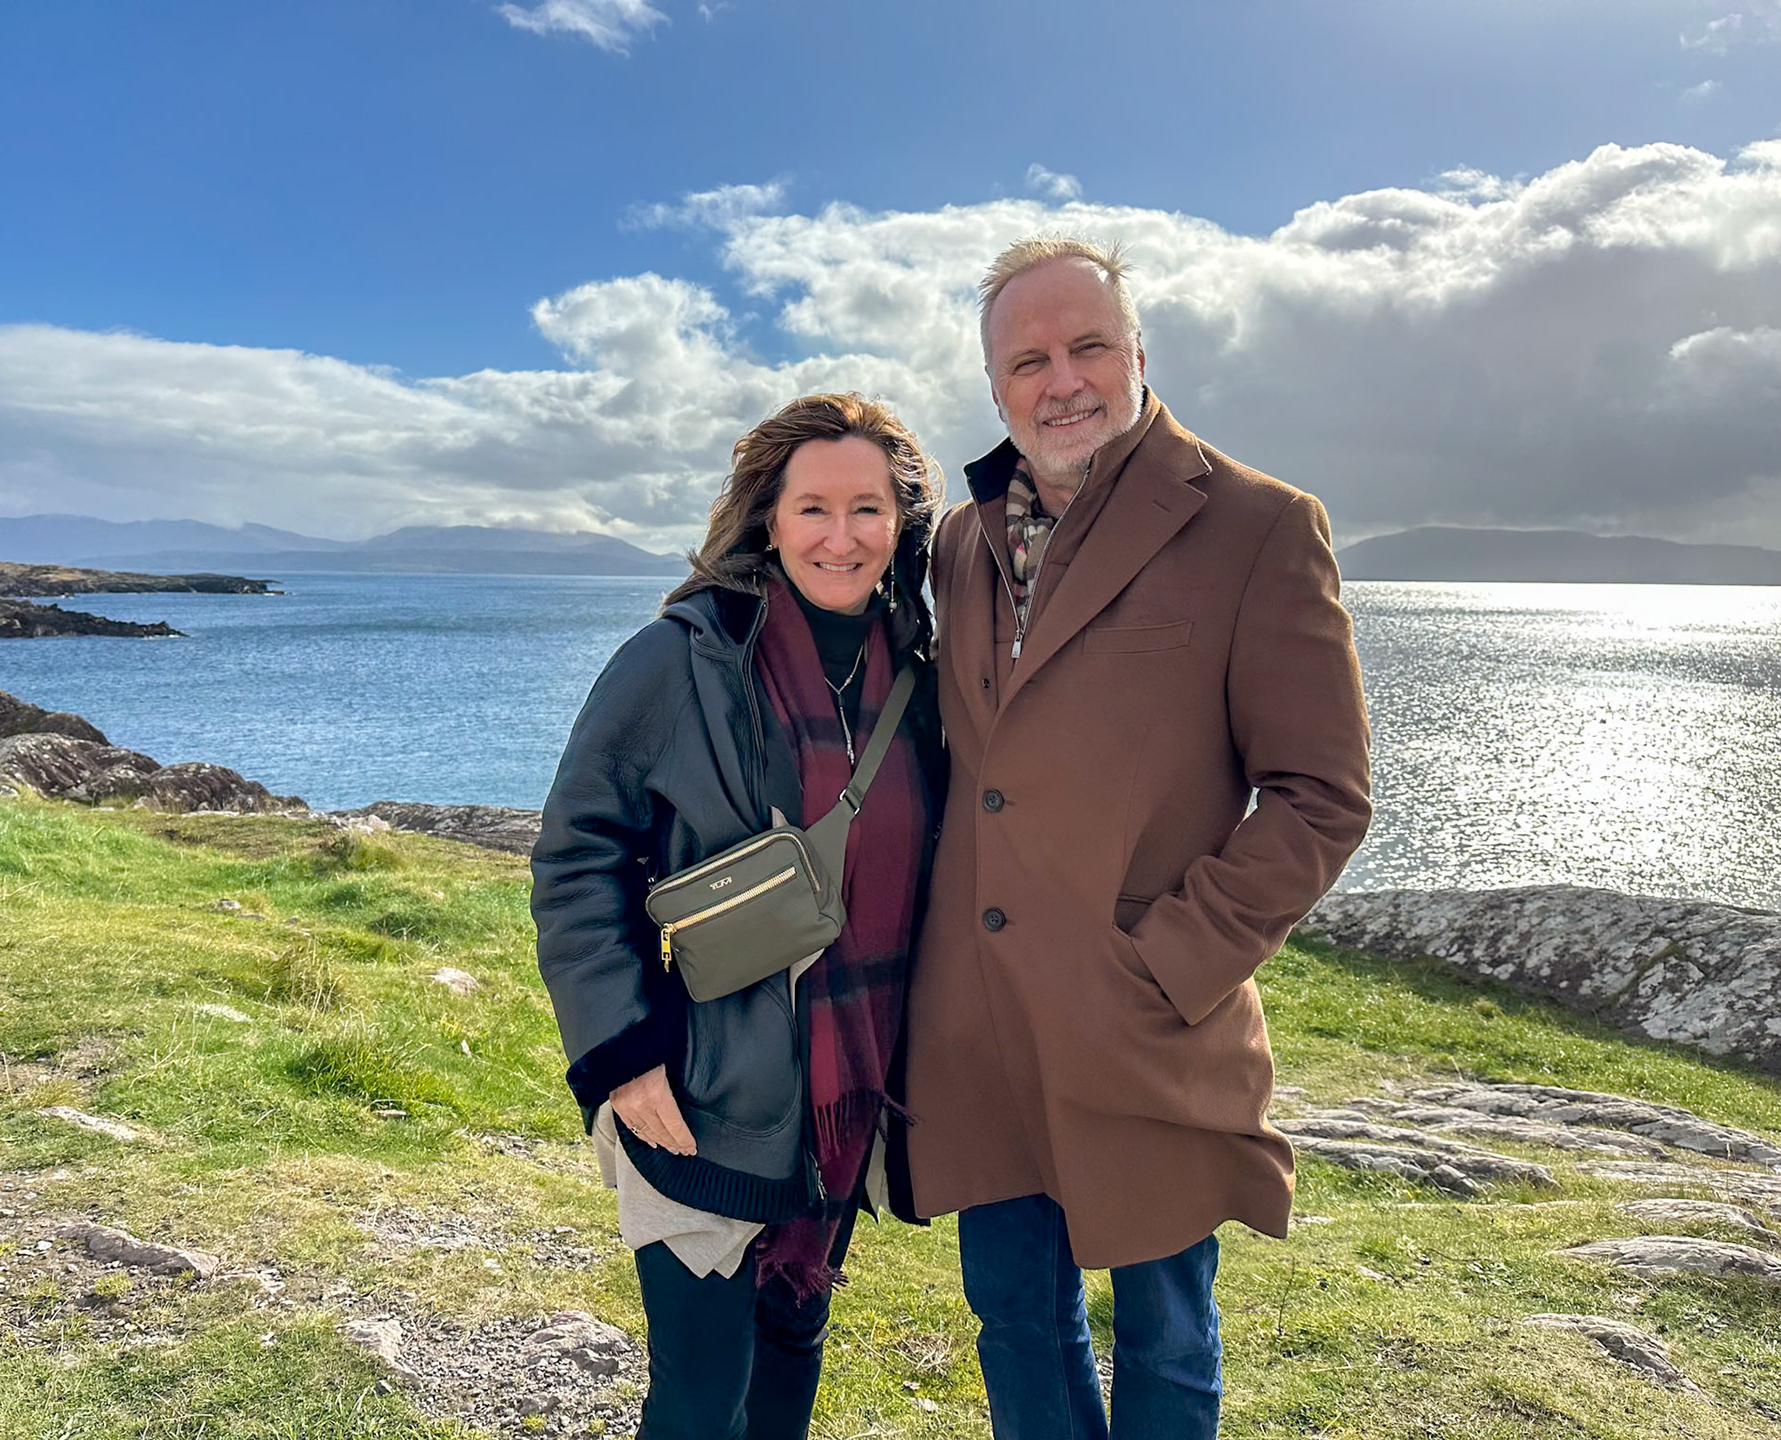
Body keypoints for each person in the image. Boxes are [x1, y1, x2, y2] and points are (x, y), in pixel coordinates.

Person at [905, 237, 1373, 1439]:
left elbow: (1320, 794)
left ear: (1138, 353)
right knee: (1015, 1319)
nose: (1062, 381)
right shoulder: (959, 541)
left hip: (1145, 1021)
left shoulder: (1261, 525)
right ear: (995, 386)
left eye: (1088, 347)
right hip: (981, 1022)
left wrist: (1169, 965)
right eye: (1029, 362)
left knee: (1165, 1336)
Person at [531, 392, 944, 1440]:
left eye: (867, 509)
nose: (841, 537)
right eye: (813, 508)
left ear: (901, 525)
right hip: (700, 1092)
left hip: (845, 1101)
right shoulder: (683, 658)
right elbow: (578, 854)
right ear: (769, 517)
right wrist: (621, 1057)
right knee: (702, 1394)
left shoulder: (921, 673)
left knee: (791, 1355)